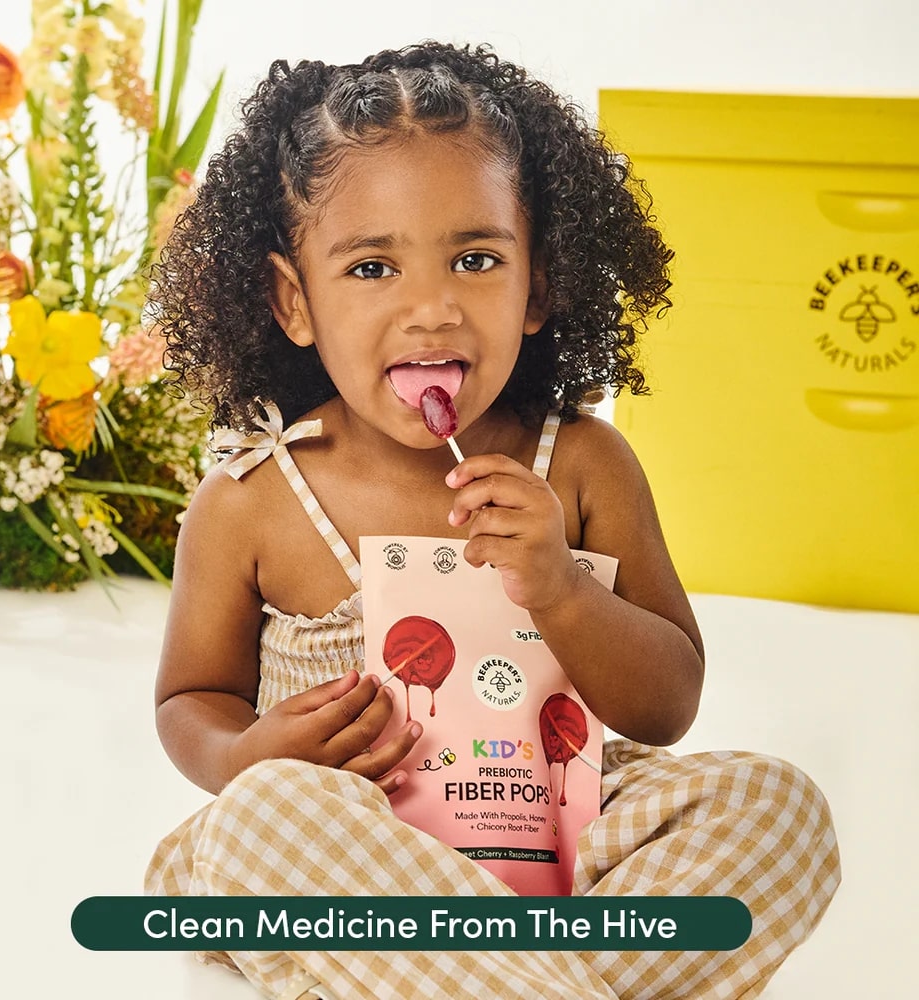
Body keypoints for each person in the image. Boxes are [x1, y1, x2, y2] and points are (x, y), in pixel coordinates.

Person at [144, 41, 840, 1000]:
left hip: (555, 834)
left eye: (475, 259)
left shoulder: (583, 465)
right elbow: (191, 701)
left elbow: (666, 705)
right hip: (349, 849)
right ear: (292, 301)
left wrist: (558, 584)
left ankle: (480, 975)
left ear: (540, 286)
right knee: (266, 812)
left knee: (775, 806)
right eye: (372, 267)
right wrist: (241, 753)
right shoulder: (256, 495)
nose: (431, 309)